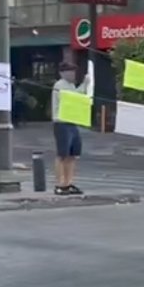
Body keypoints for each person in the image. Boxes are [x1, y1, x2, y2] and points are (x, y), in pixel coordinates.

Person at [51, 61, 89, 195]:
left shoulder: (71, 85)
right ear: (62, 73)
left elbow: (80, 95)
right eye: (69, 71)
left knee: (72, 154)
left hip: (72, 122)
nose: (72, 74)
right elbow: (74, 98)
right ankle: (59, 184)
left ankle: (68, 182)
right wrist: (84, 84)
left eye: (73, 71)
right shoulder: (60, 85)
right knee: (62, 154)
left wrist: (85, 85)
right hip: (61, 122)